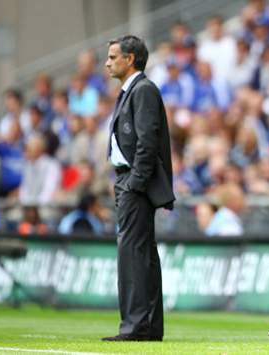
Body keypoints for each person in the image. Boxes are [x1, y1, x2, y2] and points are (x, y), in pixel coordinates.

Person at [102, 35, 175, 342]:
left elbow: (147, 142)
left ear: (130, 59)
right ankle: (148, 327)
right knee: (142, 253)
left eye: (113, 57)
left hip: (135, 181)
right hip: (129, 179)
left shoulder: (142, 90)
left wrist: (134, 184)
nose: (107, 62)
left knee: (132, 253)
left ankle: (134, 327)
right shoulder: (135, 91)